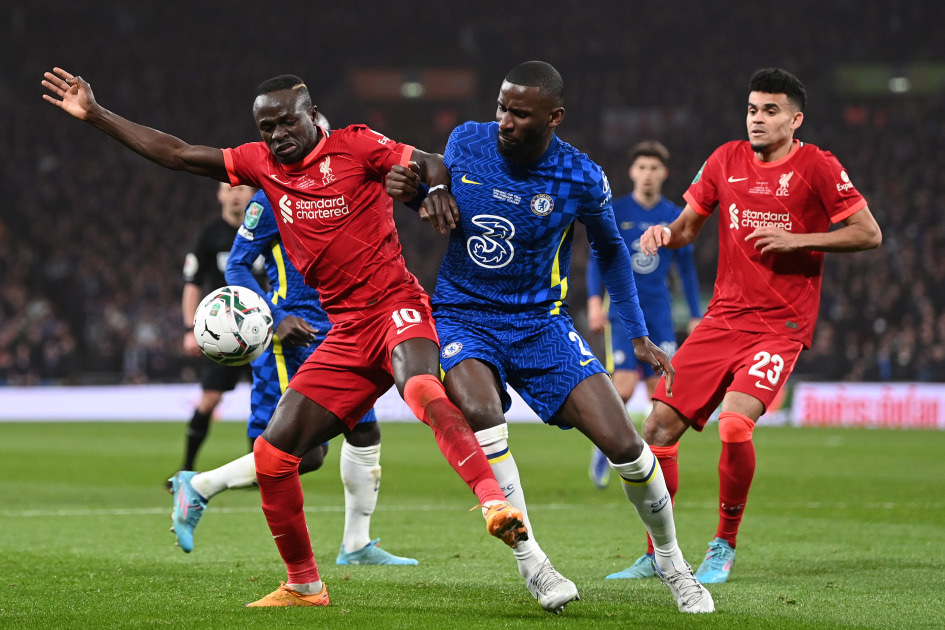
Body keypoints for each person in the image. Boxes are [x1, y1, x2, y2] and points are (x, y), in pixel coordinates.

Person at [42, 67, 527, 608]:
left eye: (285, 122)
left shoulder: (357, 144)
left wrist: (435, 188)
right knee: (275, 456)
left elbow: (426, 162)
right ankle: (303, 583)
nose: (277, 135)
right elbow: (178, 154)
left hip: (395, 306)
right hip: (339, 330)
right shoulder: (260, 165)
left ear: (311, 115)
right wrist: (97, 115)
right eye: (266, 126)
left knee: (419, 389)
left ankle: (492, 504)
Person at [387, 61, 714, 615]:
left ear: (554, 117)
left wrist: (635, 333)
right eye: (501, 108)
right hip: (464, 313)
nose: (505, 121)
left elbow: (610, 249)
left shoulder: (580, 176)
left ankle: (671, 560)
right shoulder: (467, 141)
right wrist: (414, 194)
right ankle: (534, 563)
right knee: (480, 411)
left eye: (519, 112)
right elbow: (429, 186)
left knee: (627, 449)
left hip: (541, 322)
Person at [622, 68, 881, 584]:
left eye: (770, 110)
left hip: (780, 325)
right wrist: (664, 235)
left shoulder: (818, 166)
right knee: (655, 429)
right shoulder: (724, 158)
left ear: (795, 118)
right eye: (752, 109)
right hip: (723, 319)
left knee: (735, 424)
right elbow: (688, 227)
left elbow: (867, 233)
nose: (757, 119)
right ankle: (659, 552)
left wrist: (800, 240)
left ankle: (723, 544)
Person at [170, 180, 416, 566]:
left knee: (364, 429)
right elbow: (236, 263)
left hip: (343, 330)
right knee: (308, 453)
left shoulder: (344, 193)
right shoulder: (270, 200)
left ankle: (355, 544)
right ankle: (200, 485)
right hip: (292, 339)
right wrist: (278, 316)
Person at [585, 141, 702, 495]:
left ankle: (652, 465)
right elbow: (597, 259)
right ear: (632, 172)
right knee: (623, 387)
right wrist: (594, 302)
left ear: (663, 174)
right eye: (642, 167)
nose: (648, 174)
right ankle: (605, 448)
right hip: (622, 310)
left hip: (660, 313)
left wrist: (696, 314)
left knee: (661, 392)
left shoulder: (675, 216)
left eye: (654, 168)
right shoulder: (616, 211)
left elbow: (687, 269)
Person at [172, 182, 257, 486]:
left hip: (266, 330)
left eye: (242, 189)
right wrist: (189, 329)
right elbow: (192, 282)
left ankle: (258, 473)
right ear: (220, 195)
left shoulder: (268, 228)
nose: (235, 194)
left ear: (253, 194)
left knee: (267, 400)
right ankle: (186, 466)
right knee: (209, 399)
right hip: (223, 332)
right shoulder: (209, 235)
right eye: (228, 189)